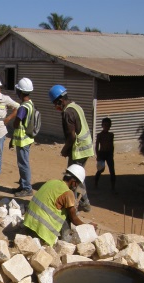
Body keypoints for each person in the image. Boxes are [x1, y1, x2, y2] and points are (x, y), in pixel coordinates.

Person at [23, 164, 96, 246]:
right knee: (66, 213)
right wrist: (88, 226)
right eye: (77, 184)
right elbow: (74, 219)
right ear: (73, 182)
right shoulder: (67, 193)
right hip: (42, 233)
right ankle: (66, 240)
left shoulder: (52, 182)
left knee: (63, 208)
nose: (76, 187)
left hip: (28, 224)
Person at [48, 84, 94, 212]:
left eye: (55, 103)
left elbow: (72, 137)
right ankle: (84, 203)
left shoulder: (67, 112)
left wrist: (64, 150)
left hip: (79, 149)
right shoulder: (76, 106)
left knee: (72, 178)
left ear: (60, 101)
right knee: (77, 176)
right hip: (86, 148)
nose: (55, 107)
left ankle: (74, 206)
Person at [9, 78, 35, 198]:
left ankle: (27, 188)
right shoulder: (30, 104)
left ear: (20, 91)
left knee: (23, 164)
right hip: (27, 138)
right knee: (23, 163)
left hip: (22, 139)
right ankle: (23, 184)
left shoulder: (23, 107)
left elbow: (16, 123)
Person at [94, 117, 116, 193]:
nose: (106, 127)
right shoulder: (99, 135)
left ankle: (113, 187)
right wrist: (98, 155)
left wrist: (112, 154)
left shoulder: (111, 135)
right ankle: (95, 184)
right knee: (100, 170)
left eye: (108, 125)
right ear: (102, 125)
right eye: (105, 125)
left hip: (109, 154)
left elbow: (112, 145)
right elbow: (97, 146)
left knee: (112, 171)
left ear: (110, 126)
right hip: (102, 153)